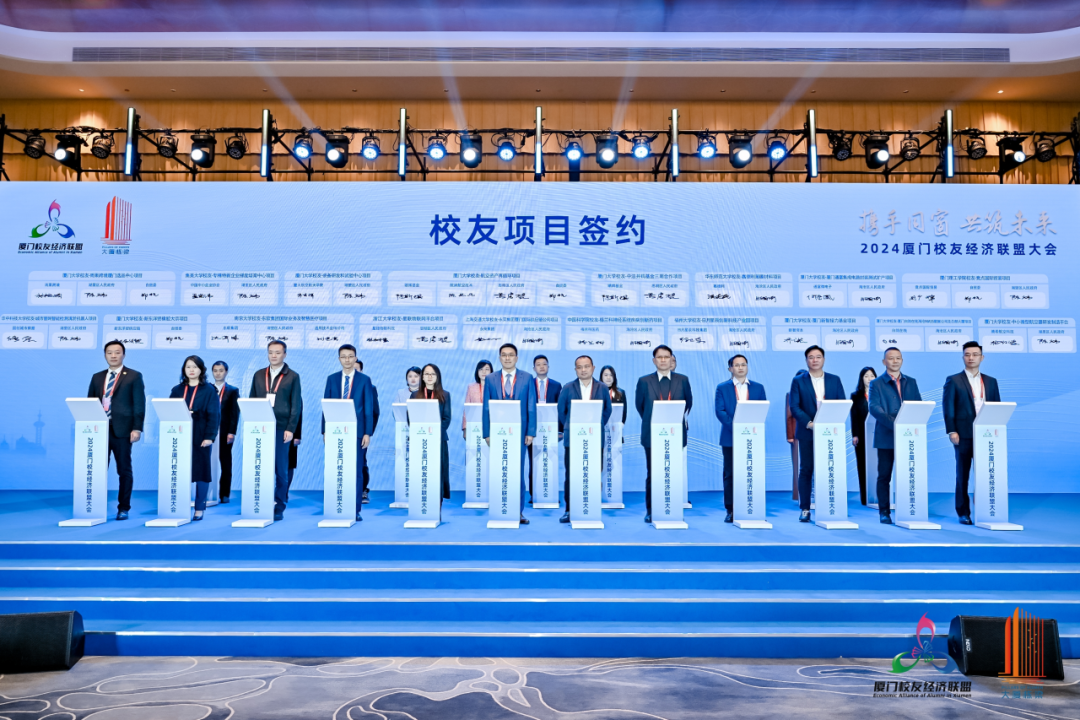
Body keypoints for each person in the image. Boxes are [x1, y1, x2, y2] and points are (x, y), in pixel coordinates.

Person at [942, 341, 1001, 525]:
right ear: (963, 357)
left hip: (986, 435)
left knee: (986, 474)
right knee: (963, 475)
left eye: (975, 354)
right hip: (963, 434)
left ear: (982, 358)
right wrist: (952, 430)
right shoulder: (954, 380)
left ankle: (985, 509)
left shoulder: (991, 381)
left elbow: (997, 407)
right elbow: (948, 407)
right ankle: (963, 512)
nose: (971, 358)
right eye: (967, 354)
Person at [87, 340, 145, 521]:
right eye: (109, 352)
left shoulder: (134, 376)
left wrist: (137, 428)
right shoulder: (97, 377)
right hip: (99, 430)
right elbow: (90, 403)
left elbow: (139, 404)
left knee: (124, 470)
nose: (113, 356)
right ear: (105, 355)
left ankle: (123, 508)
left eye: (117, 352)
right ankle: (94, 507)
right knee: (97, 469)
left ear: (123, 355)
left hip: (123, 430)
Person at [635, 344, 693, 524]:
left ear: (671, 359)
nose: (663, 360)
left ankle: (673, 508)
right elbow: (640, 406)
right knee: (654, 473)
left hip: (675, 435)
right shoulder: (644, 381)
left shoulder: (683, 380)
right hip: (652, 435)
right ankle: (651, 510)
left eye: (666, 357)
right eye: (659, 357)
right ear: (654, 360)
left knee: (672, 472)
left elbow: (688, 403)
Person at [481, 342, 538, 524]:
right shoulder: (490, 378)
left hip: (520, 434)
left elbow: (531, 406)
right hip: (497, 434)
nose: (507, 358)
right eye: (504, 355)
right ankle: (500, 508)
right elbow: (486, 408)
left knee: (517, 472)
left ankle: (518, 512)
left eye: (511, 355)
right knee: (500, 471)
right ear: (499, 358)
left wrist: (531, 432)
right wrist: (487, 433)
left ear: (517, 358)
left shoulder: (527, 378)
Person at [788, 346, 846, 523]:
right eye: (811, 357)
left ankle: (830, 507)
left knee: (829, 469)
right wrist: (810, 423)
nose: (815, 360)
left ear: (824, 359)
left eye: (818, 357)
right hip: (808, 431)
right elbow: (794, 406)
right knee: (806, 469)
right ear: (806, 360)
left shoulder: (834, 380)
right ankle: (805, 509)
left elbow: (842, 403)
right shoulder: (798, 381)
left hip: (830, 433)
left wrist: (831, 422)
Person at [868, 346, 923, 525]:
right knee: (884, 475)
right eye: (891, 358)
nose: (895, 361)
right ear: (884, 362)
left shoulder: (911, 382)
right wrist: (895, 424)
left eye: (898, 358)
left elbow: (918, 405)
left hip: (909, 437)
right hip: (886, 436)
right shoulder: (876, 383)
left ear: (902, 361)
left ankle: (909, 508)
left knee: (909, 474)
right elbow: (874, 408)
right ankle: (884, 511)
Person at [248, 340, 302, 522]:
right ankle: (261, 502)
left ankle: (279, 505)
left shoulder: (292, 376)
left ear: (285, 354)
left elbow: (296, 405)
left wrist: (291, 429)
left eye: (278, 352)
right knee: (260, 466)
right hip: (261, 428)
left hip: (281, 428)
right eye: (271, 352)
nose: (274, 355)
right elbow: (252, 400)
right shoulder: (258, 375)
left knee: (281, 469)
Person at [322, 344, 375, 522]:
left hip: (357, 432)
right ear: (339, 359)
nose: (347, 360)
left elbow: (368, 407)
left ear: (355, 358)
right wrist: (325, 430)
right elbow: (326, 405)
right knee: (337, 468)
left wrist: (367, 433)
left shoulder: (364, 380)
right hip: (335, 430)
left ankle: (354, 509)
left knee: (356, 471)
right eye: (343, 356)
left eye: (350, 356)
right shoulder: (331, 379)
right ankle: (336, 505)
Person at [557, 355, 612, 523]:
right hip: (573, 440)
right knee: (571, 475)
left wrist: (595, 426)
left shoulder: (602, 388)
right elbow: (562, 411)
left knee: (593, 473)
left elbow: (607, 411)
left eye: (586, 366)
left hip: (594, 439)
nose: (583, 370)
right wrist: (573, 427)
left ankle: (592, 507)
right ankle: (569, 510)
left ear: (593, 368)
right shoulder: (568, 387)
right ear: (575, 369)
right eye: (579, 367)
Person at [714, 354, 767, 523]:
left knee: (751, 472)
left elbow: (762, 409)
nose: (740, 368)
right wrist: (737, 428)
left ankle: (752, 506)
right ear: (730, 368)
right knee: (730, 474)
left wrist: (747, 429)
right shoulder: (722, 388)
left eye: (743, 364)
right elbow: (720, 411)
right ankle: (730, 509)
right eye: (736, 365)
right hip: (730, 437)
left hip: (752, 438)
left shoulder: (758, 388)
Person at [169, 356, 220, 521]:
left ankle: (199, 508)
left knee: (201, 471)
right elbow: (169, 412)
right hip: (180, 435)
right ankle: (179, 506)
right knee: (180, 471)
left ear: (201, 370)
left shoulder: (209, 390)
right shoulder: (177, 390)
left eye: (195, 367)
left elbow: (214, 415)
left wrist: (210, 436)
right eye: (188, 367)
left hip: (201, 435)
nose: (191, 370)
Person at [411, 363, 453, 502]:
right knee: (422, 471)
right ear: (422, 377)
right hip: (420, 440)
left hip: (438, 440)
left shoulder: (445, 395)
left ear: (437, 377)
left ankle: (437, 502)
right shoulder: (415, 395)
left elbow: (446, 418)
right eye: (427, 374)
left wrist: (433, 434)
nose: (430, 377)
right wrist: (422, 433)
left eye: (433, 374)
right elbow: (410, 418)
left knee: (438, 471)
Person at [528, 355, 562, 503]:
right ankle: (534, 495)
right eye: (538, 364)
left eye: (544, 364)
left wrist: (560, 430)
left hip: (550, 430)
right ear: (534, 368)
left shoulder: (556, 385)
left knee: (550, 461)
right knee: (533, 462)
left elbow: (560, 409)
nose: (541, 367)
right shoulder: (528, 384)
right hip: (532, 431)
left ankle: (551, 494)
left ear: (548, 367)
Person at [211, 361, 240, 504]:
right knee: (207, 463)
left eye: (221, 370)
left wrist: (232, 432)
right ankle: (208, 493)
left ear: (226, 372)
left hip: (224, 432)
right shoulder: (207, 389)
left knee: (225, 464)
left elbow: (235, 413)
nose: (218, 373)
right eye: (215, 370)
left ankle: (224, 494)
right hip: (208, 432)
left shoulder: (233, 390)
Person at [850, 366, 877, 506]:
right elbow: (854, 417)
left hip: (878, 434)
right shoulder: (855, 396)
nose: (869, 378)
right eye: (866, 376)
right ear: (862, 379)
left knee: (878, 466)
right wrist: (855, 435)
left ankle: (878, 497)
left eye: (872, 375)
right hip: (861, 435)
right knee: (862, 466)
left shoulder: (880, 393)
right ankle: (865, 497)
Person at [358, 359, 378, 505]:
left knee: (361, 462)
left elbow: (375, 411)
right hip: (342, 432)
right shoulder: (342, 386)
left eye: (357, 369)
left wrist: (368, 432)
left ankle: (363, 490)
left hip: (361, 433)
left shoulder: (370, 387)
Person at [462, 359, 494, 439]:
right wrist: (465, 428)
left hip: (491, 425)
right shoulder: (471, 387)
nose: (484, 372)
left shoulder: (495, 387)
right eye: (481, 369)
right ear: (477, 371)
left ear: (491, 372)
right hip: (475, 425)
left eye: (487, 369)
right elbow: (467, 409)